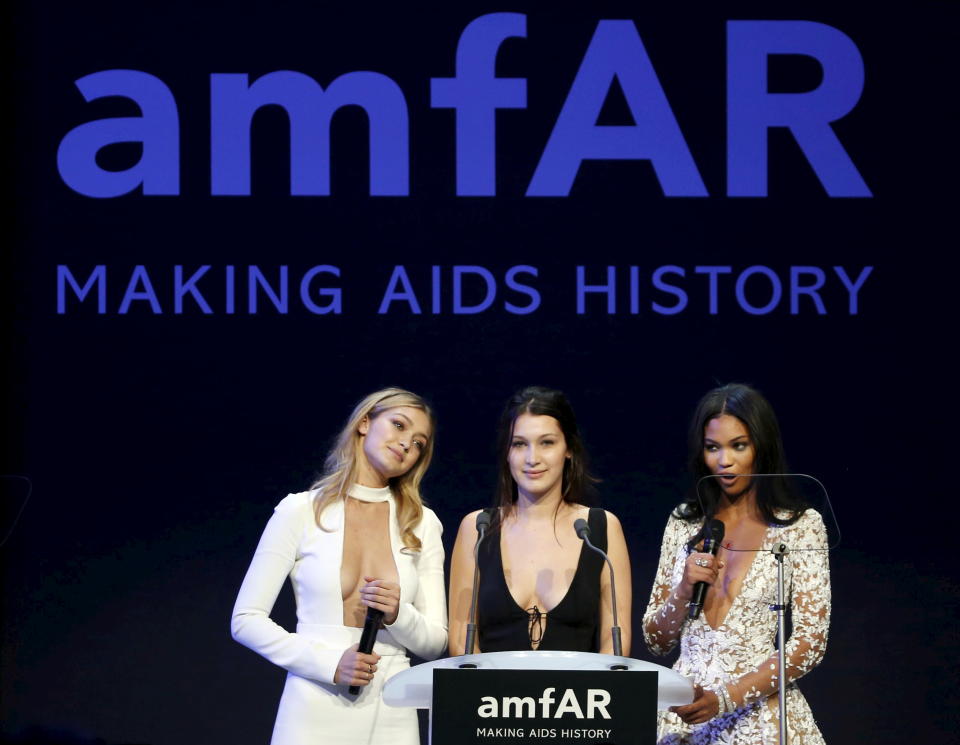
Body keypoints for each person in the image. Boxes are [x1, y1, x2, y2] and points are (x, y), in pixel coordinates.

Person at [231, 388, 447, 745]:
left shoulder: (422, 523)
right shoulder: (300, 511)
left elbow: (435, 642)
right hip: (312, 704)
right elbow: (245, 620)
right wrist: (328, 663)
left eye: (419, 442)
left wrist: (399, 614)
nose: (406, 444)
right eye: (398, 425)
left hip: (391, 706)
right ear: (365, 423)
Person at [643, 383, 830, 744]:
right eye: (713, 448)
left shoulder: (799, 527)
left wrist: (727, 698)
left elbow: (810, 643)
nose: (724, 460)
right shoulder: (684, 523)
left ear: (762, 446)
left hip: (761, 718)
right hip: (685, 715)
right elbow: (655, 639)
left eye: (738, 446)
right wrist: (683, 589)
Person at [448, 386, 631, 656]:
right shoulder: (478, 528)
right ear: (507, 453)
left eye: (547, 443)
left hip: (579, 696)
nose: (532, 458)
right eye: (520, 444)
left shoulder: (600, 528)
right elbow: (461, 638)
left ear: (568, 449)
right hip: (492, 696)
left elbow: (615, 640)